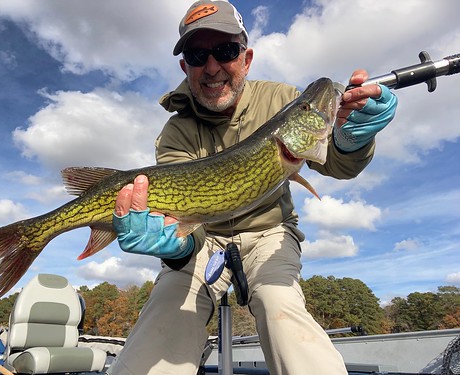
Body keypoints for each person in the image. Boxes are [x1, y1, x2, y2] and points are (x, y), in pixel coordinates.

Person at [107, 1, 398, 374]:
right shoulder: (175, 131)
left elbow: (337, 165)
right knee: (163, 321)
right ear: (186, 67)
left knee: (281, 309)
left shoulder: (283, 99)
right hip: (203, 236)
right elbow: (185, 219)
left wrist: (350, 141)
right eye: (198, 55)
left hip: (270, 233)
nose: (212, 67)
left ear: (246, 58)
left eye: (225, 51)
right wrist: (175, 250)